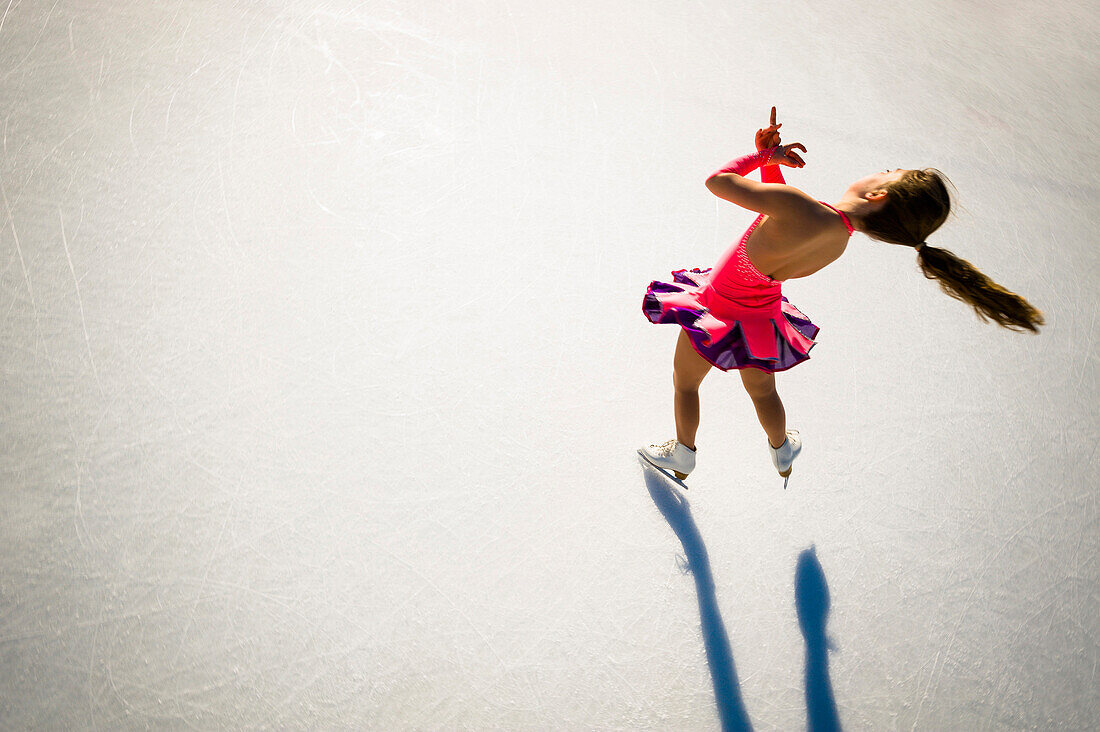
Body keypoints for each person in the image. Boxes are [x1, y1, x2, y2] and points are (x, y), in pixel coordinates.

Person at [639, 108, 1043, 487]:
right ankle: (782, 450)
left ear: (878, 195)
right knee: (763, 391)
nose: (878, 170)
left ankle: (684, 453)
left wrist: (759, 155)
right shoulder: (837, 238)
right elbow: (777, 219)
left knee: (686, 384)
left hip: (720, 309)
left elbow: (719, 182)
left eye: (888, 171)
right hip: (760, 319)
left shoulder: (804, 209)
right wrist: (772, 164)